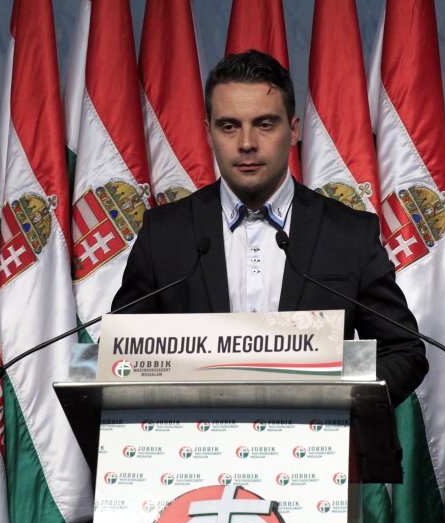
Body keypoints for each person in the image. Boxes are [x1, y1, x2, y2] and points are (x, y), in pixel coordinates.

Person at [110, 50, 427, 406]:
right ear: (209, 133)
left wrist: (341, 403)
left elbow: (403, 351)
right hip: (195, 454)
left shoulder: (349, 234)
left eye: (264, 124)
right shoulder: (165, 235)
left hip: (319, 450)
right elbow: (122, 356)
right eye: (229, 126)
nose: (246, 143)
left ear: (293, 131)